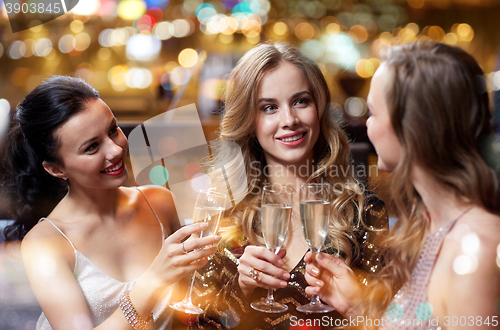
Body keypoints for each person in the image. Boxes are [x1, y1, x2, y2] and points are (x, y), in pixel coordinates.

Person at [189, 42, 389, 329]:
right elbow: (195, 325)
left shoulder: (364, 212)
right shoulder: (222, 212)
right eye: (269, 107)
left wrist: (357, 304)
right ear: (249, 122)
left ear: (318, 109)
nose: (290, 120)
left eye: (300, 101)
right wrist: (241, 288)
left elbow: (392, 322)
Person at [304, 40, 500, 329]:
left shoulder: (476, 254)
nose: (367, 126)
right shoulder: (427, 224)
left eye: (373, 113)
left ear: (413, 126)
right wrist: (357, 306)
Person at [0, 76, 221, 330]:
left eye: (113, 130)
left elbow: (194, 300)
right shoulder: (45, 243)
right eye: (92, 147)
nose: (115, 150)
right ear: (56, 168)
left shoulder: (159, 202)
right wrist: (153, 280)